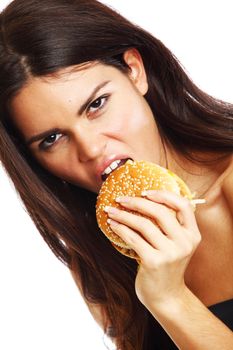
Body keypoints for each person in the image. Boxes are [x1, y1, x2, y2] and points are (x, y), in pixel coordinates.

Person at [0, 0, 232, 349]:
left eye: (96, 104)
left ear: (134, 70)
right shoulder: (95, 261)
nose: (91, 149)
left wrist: (170, 299)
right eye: (51, 139)